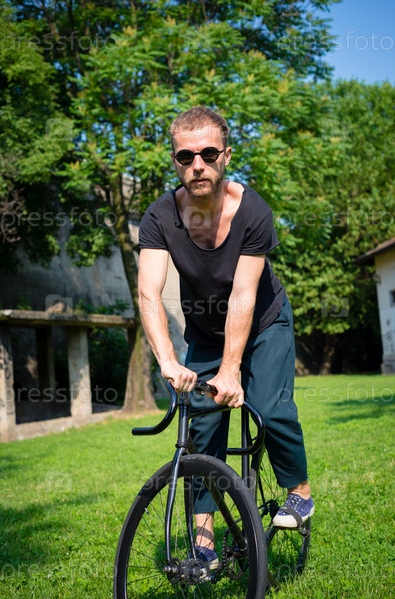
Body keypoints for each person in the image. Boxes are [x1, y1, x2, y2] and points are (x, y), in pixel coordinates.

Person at [138, 106, 314, 567]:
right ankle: (204, 544)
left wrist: (231, 371)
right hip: (205, 332)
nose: (197, 164)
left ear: (226, 156)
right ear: (175, 162)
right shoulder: (159, 216)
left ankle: (300, 492)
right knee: (202, 427)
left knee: (270, 409)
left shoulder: (253, 212)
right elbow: (148, 292)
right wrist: (167, 359)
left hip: (264, 321)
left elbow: (243, 295)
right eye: (186, 156)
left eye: (208, 154)